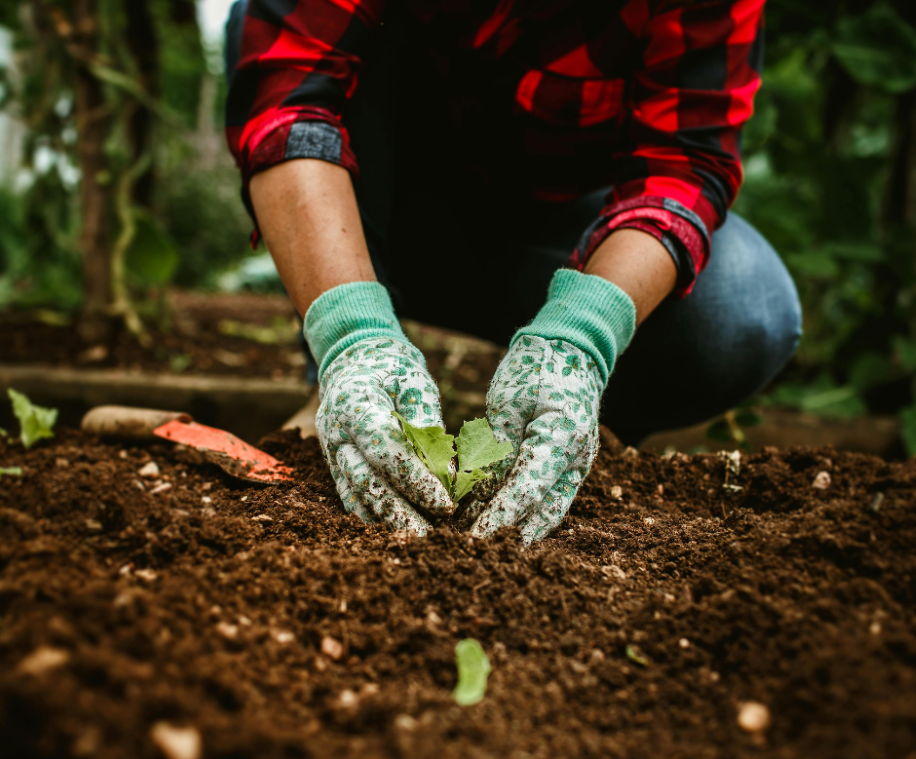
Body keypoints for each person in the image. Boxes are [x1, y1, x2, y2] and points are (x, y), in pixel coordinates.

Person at [224, 0, 801, 544]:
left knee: (742, 307)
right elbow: (288, 97)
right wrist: (350, 336)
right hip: (380, 221)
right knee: (267, 23)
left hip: (561, 239)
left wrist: (579, 336)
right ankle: (339, 383)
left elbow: (684, 164)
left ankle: (568, 430)